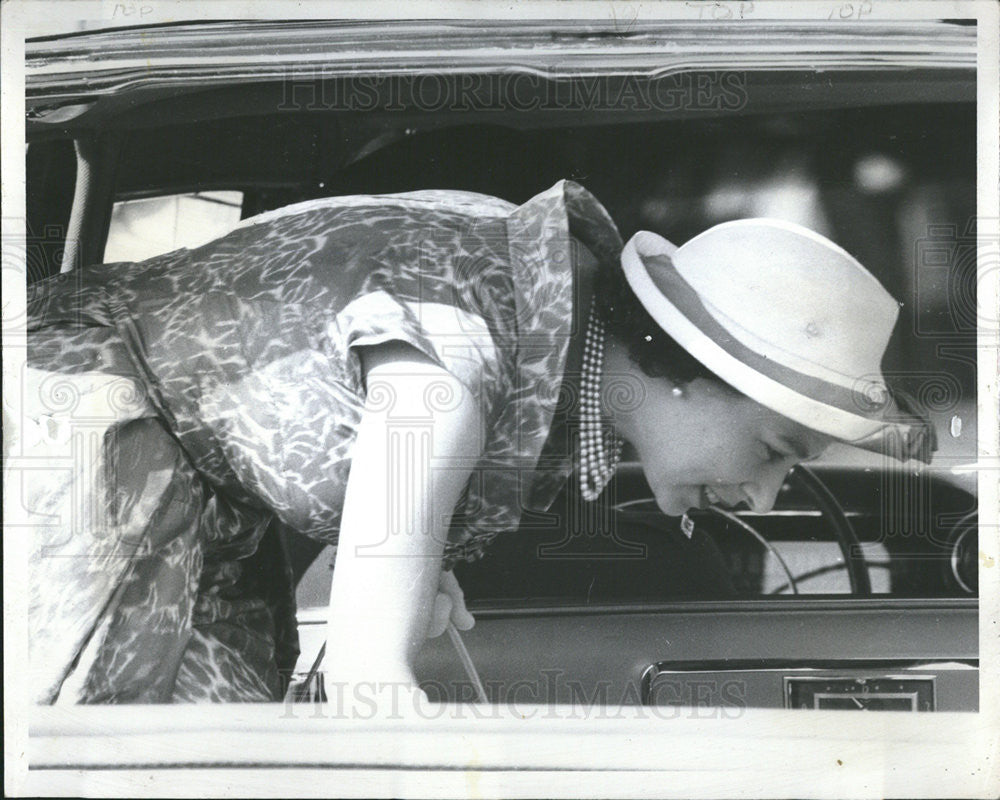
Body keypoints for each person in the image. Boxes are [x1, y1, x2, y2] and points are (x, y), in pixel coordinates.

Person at [23, 180, 934, 704]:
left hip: (203, 514)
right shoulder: (459, 363)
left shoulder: (534, 336)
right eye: (777, 450)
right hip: (82, 435)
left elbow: (363, 528)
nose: (767, 499)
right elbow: (371, 678)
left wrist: (407, 576)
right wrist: (386, 637)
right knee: (97, 746)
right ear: (692, 372)